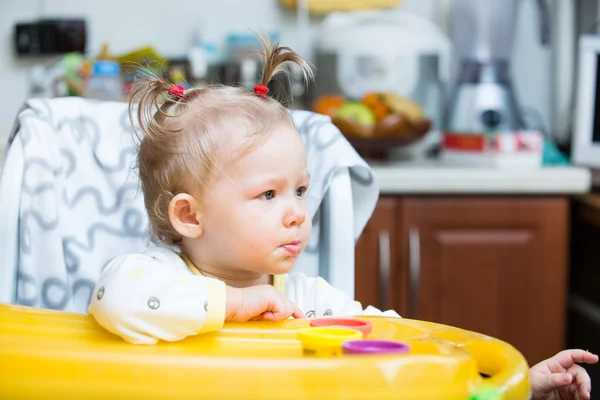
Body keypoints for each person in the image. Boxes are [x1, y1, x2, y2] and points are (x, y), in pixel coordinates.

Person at [88, 34, 596, 399]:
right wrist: (235, 303)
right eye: (268, 194)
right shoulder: (156, 278)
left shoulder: (309, 303)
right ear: (189, 217)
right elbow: (114, 300)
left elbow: (408, 348)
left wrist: (510, 384)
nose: (296, 213)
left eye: (301, 190)